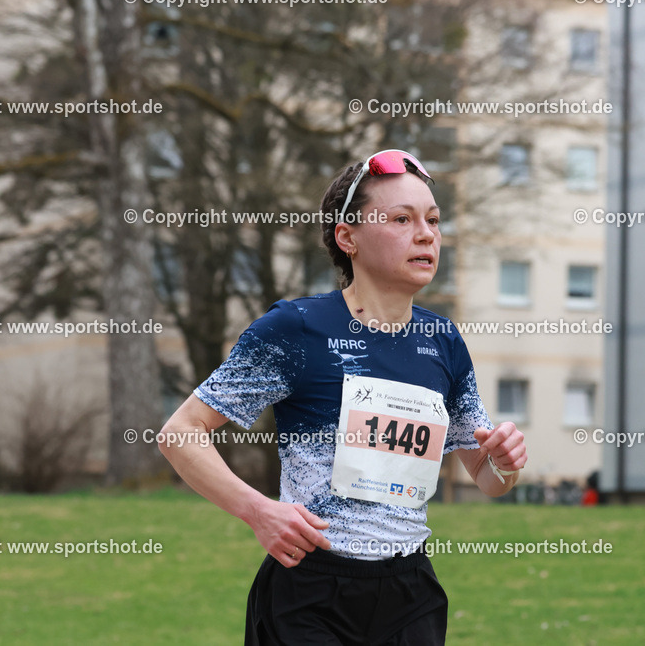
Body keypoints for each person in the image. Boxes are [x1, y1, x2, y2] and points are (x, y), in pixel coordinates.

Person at [158, 149, 528, 645]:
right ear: (347, 236)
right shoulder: (297, 329)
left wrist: (504, 462)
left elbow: (486, 477)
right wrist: (258, 511)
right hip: (311, 589)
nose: (426, 235)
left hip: (409, 591)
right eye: (401, 219)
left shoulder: (444, 342)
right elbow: (181, 433)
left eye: (434, 220)